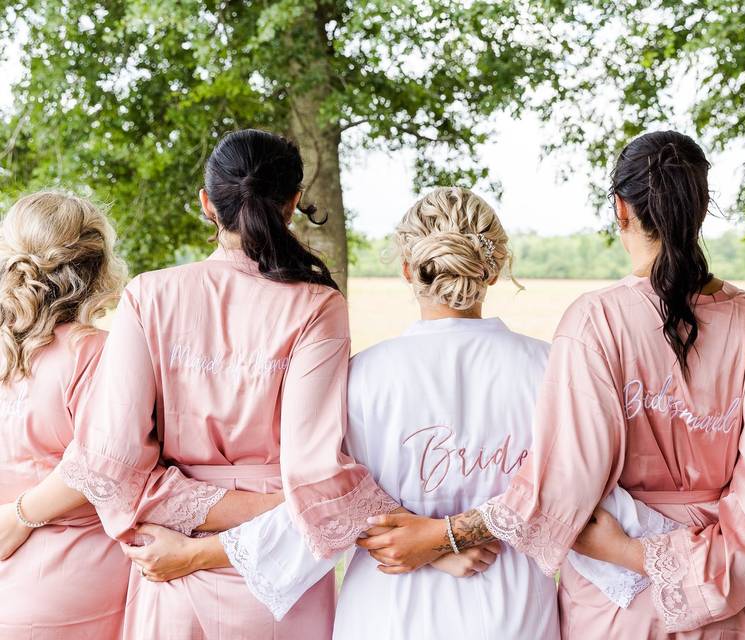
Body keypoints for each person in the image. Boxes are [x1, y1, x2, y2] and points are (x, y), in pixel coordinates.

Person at [355, 131, 745, 638]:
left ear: (621, 210)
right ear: (700, 210)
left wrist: (447, 534)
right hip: (724, 577)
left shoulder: (594, 321)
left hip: (616, 598)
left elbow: (563, 481)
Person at [6, 129, 399, 639]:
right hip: (275, 573)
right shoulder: (318, 305)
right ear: (294, 202)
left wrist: (178, 513)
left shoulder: (150, 296)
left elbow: (111, 462)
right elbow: (315, 472)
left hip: (167, 559)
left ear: (206, 204)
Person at [123, 187, 562, 640]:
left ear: (409, 269)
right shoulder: (553, 372)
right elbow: (571, 499)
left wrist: (198, 553)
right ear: (491, 271)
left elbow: (322, 508)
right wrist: (447, 538)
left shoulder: (361, 378)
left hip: (387, 613)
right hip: (513, 613)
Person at [0, 192, 130, 638]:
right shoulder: (95, 352)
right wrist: (19, 516)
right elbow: (103, 463)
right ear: (98, 267)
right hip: (78, 589)